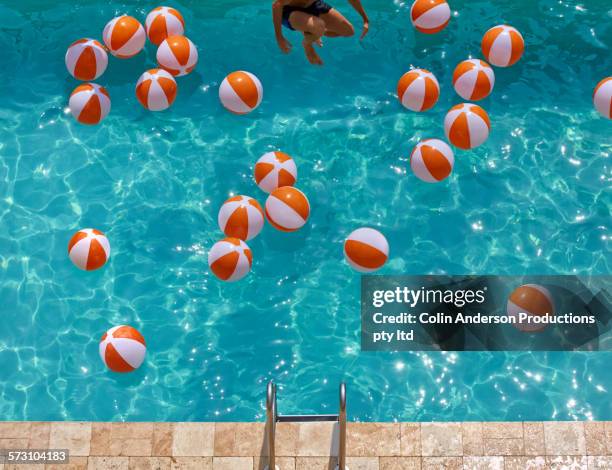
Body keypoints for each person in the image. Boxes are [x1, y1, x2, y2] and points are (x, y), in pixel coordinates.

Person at [272, 0, 369, 65]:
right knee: (319, 26)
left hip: (313, 4)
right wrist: (279, 37)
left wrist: (365, 19)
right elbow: (276, 5)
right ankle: (307, 45)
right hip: (288, 11)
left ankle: (313, 30)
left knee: (348, 31)